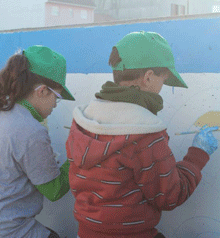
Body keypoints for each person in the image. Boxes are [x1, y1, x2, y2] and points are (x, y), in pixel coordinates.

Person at [66, 31, 218, 238]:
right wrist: (198, 153)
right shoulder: (145, 133)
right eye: (162, 81)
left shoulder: (82, 121)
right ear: (148, 77)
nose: (161, 89)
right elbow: (171, 196)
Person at [0, 45, 75, 238]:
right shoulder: (30, 129)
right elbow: (54, 190)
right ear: (42, 91)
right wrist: (77, 153)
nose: (55, 104)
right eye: (57, 97)